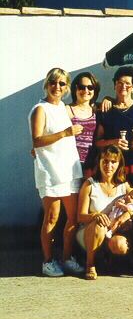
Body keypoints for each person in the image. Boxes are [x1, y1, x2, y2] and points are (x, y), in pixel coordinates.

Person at [29, 67, 85, 277]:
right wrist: (65, 133)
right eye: (54, 82)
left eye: (62, 84)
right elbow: (37, 139)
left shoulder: (62, 107)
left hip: (69, 170)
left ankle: (67, 258)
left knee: (72, 218)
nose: (57, 87)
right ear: (47, 84)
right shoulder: (40, 109)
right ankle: (48, 261)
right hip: (50, 172)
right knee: (52, 218)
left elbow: (88, 105)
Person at [77, 145, 133, 280]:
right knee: (99, 225)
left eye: (113, 162)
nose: (109, 165)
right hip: (90, 232)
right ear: (99, 162)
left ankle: (110, 261)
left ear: (119, 164)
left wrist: (127, 215)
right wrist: (96, 215)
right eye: (105, 161)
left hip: (112, 231)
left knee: (120, 244)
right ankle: (90, 264)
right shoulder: (90, 185)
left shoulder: (123, 186)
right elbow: (80, 217)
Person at [95, 66, 133, 184]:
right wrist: (113, 142)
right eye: (120, 83)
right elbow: (97, 142)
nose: (123, 87)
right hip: (112, 166)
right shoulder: (106, 110)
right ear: (114, 85)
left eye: (128, 84)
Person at [68, 72, 100, 176]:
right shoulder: (67, 110)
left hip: (93, 165)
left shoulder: (98, 110)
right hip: (72, 164)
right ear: (75, 89)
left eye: (90, 87)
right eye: (82, 87)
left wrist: (108, 98)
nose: (86, 91)